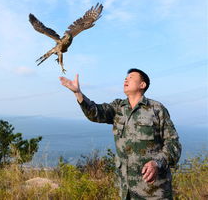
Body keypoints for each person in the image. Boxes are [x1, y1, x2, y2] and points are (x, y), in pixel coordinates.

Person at [59, 68, 181, 199]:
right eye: (126, 77)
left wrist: (157, 163)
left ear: (142, 85)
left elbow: (173, 144)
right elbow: (95, 113)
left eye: (131, 77)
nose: (126, 79)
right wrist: (78, 93)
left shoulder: (156, 109)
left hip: (154, 191)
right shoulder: (118, 107)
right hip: (126, 190)